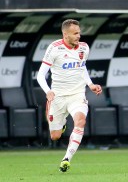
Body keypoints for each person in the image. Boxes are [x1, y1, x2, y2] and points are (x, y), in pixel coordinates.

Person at [36, 19, 102, 172]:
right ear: (65, 34)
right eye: (75, 33)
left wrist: (90, 84)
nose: (79, 36)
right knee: (55, 136)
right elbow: (40, 75)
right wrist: (48, 91)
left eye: (79, 32)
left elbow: (82, 68)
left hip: (77, 94)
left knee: (80, 121)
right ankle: (62, 125)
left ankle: (66, 159)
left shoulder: (84, 48)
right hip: (57, 97)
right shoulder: (54, 48)